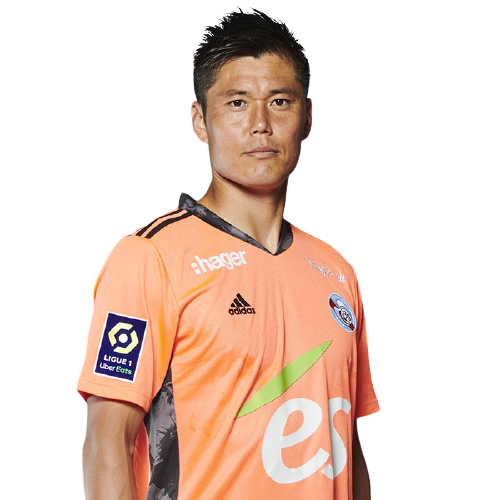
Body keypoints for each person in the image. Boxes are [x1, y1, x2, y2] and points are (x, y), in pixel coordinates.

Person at [78, 8, 380, 500]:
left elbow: (346, 445)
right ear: (199, 121)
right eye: (237, 103)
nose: (261, 124)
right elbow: (106, 441)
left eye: (279, 101)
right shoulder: (149, 258)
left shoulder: (338, 271)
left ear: (307, 117)